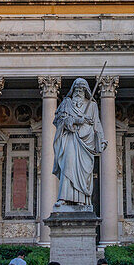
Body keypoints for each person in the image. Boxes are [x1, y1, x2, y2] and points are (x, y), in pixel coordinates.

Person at [52, 78, 106, 208]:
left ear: (86, 91)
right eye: (76, 89)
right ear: (73, 90)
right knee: (68, 165)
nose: (78, 92)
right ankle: (63, 198)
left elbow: (97, 124)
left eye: (81, 89)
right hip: (71, 138)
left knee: (84, 171)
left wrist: (102, 139)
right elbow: (58, 121)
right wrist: (76, 120)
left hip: (86, 143)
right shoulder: (67, 103)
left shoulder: (92, 106)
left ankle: (81, 199)